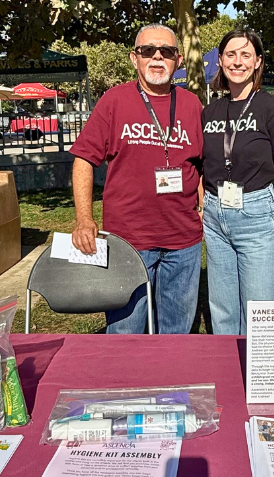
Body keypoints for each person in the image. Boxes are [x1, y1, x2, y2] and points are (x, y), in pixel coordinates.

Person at [70, 23, 204, 334]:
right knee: (124, 334)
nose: (157, 57)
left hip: (183, 243)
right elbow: (83, 160)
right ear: (135, 58)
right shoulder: (114, 100)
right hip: (129, 241)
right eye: (148, 50)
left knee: (177, 335)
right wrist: (84, 219)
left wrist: (202, 205)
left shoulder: (192, 105)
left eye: (166, 51)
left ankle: (171, 369)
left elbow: (200, 163)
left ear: (178, 61)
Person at [201, 29, 274, 335]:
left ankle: (260, 367)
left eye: (246, 55)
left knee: (261, 313)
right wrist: (203, 204)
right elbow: (204, 164)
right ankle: (228, 363)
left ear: (257, 62)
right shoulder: (210, 112)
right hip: (215, 219)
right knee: (223, 312)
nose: (238, 62)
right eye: (231, 55)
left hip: (257, 218)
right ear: (220, 60)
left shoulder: (273, 110)